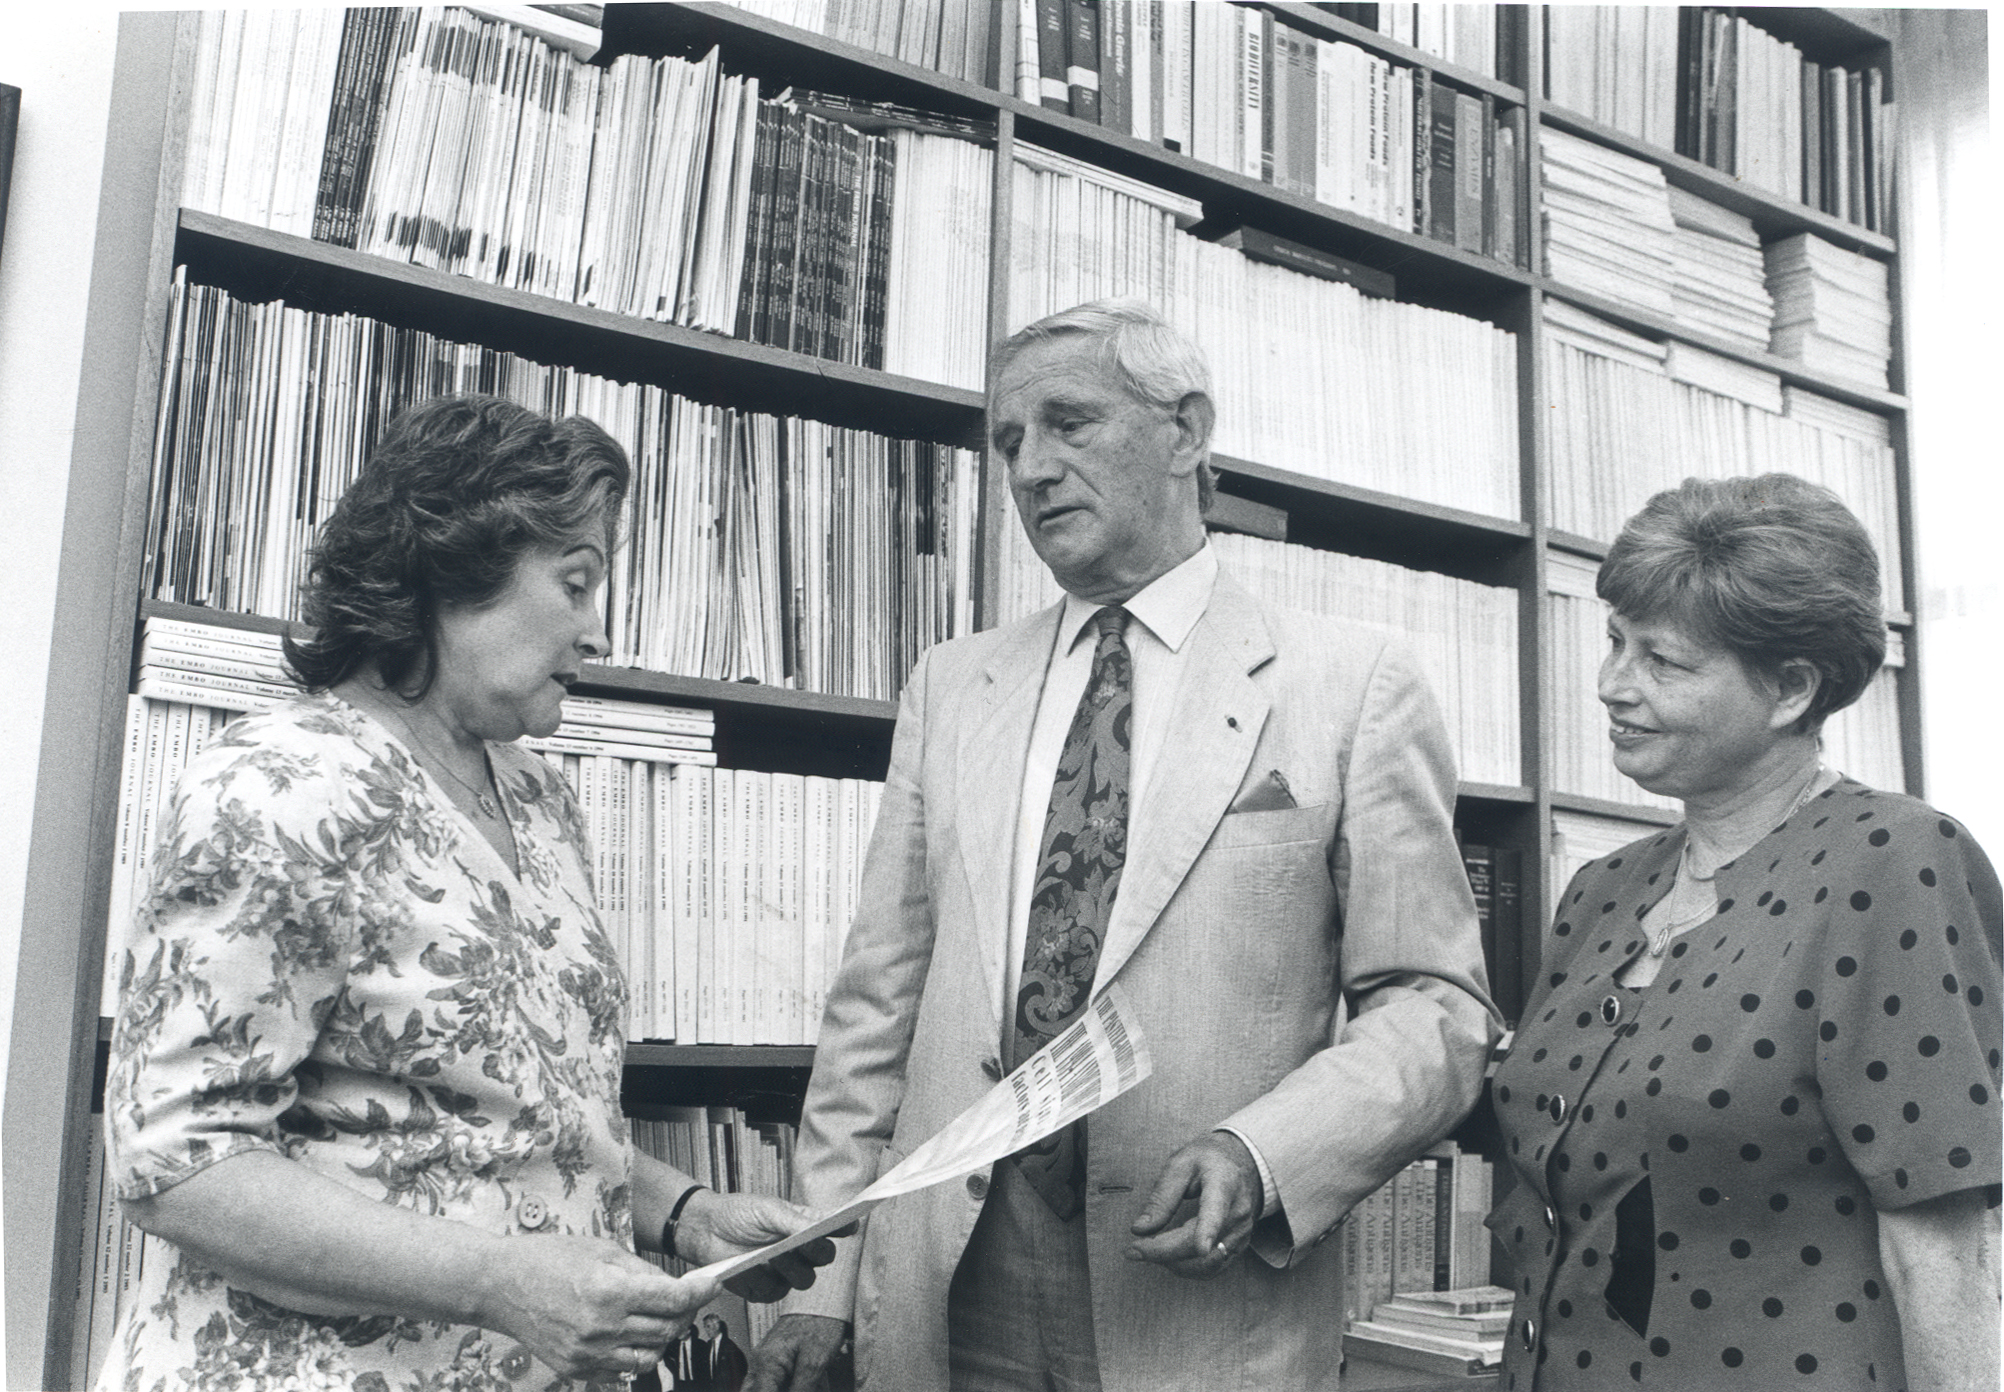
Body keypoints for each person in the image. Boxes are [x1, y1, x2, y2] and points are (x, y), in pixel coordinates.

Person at [748, 299, 1500, 1391]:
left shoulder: (1352, 684)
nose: (1031, 469)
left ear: (1185, 432)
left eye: (1069, 423)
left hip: (1200, 1304)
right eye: (1010, 441)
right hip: (952, 1286)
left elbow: (1437, 1008)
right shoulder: (951, 686)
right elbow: (878, 1003)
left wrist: (1267, 1153)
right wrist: (819, 1278)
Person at [100, 395, 835, 1392]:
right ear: (456, 570)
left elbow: (521, 1124)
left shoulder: (537, 799)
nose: (597, 631)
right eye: (575, 583)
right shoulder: (277, 786)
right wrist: (501, 1284)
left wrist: (686, 1213)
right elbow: (177, 1165)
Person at [1488, 474, 2002, 1390]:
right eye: (1614, 642)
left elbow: (1944, 1253)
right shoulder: (1601, 891)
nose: (1612, 686)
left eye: (1663, 661)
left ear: (1790, 689)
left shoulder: (1893, 863)